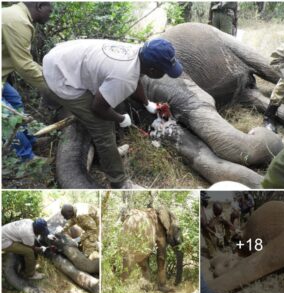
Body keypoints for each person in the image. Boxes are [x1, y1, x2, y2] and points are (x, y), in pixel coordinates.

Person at [43, 38, 183, 188]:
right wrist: (121, 118)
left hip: (63, 56)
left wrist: (146, 103)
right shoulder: (124, 76)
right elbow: (98, 107)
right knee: (102, 127)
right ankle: (119, 182)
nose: (165, 74)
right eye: (164, 71)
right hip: (60, 75)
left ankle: (105, 155)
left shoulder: (139, 52)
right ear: (152, 70)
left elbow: (135, 79)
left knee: (109, 109)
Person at [2, 2, 53, 160]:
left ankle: (31, 140)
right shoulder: (19, 21)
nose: (49, 16)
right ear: (39, 6)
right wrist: (53, 85)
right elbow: (24, 65)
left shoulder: (16, 15)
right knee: (8, 118)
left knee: (14, 100)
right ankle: (26, 157)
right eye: (49, 12)